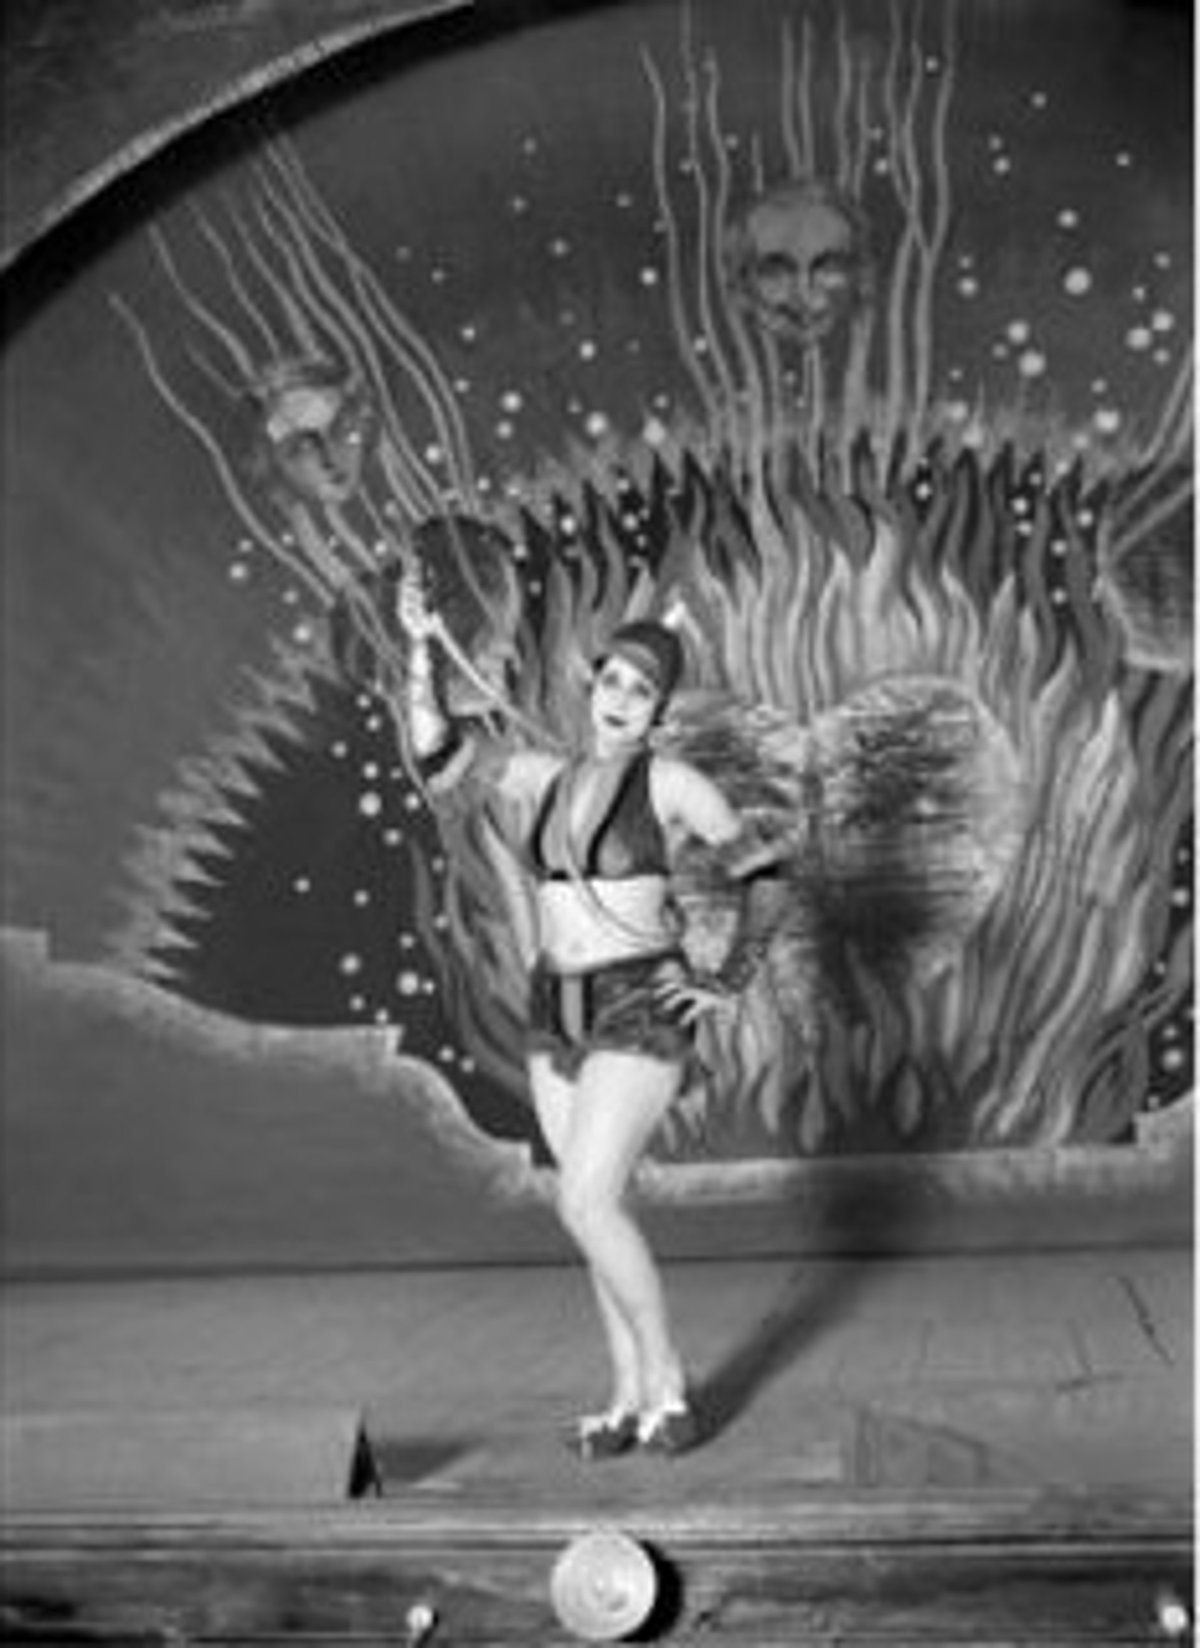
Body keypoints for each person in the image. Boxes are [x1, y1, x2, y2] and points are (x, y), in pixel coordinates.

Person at [396, 570, 770, 1458]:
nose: (622, 700)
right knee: (590, 1212)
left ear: (659, 710)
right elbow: (438, 754)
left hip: (637, 1007)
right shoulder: (542, 776)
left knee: (587, 1198)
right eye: (614, 680)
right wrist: (419, 649)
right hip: (553, 1010)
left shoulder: (673, 784)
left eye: (643, 691)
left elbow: (767, 871)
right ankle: (625, 1396)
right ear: (592, 683)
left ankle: (668, 1382)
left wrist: (728, 975)